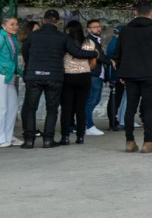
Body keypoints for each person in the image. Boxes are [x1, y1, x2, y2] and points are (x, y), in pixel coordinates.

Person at [20, 9, 97, 149]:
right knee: (52, 109)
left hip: (34, 75)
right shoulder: (62, 37)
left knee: (30, 108)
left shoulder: (33, 36)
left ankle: (29, 140)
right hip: (54, 77)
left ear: (43, 20)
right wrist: (94, 53)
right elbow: (76, 52)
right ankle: (48, 140)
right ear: (57, 22)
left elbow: (25, 52)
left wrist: (31, 68)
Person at [113, 0, 152, 153]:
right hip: (151, 74)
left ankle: (129, 141)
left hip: (130, 74)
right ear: (151, 13)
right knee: (148, 109)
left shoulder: (125, 30)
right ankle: (148, 142)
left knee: (130, 108)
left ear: (135, 12)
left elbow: (117, 53)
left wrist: (122, 71)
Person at [60, 20, 97, 145]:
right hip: (84, 77)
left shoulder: (65, 42)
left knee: (66, 108)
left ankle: (65, 136)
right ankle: (80, 136)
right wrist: (85, 69)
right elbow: (93, 62)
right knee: (80, 107)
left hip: (67, 77)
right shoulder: (90, 42)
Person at [0, 16, 23, 148]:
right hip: (2, 75)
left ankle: (8, 136)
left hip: (9, 76)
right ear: (4, 25)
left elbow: (13, 59)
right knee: (1, 108)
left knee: (13, 107)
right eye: (12, 24)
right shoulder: (1, 37)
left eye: (16, 24)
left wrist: (19, 72)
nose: (15, 27)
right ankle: (1, 138)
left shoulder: (12, 38)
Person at [84, 19, 107, 136]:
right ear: (89, 29)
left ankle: (86, 124)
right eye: (95, 27)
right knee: (91, 100)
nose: (98, 28)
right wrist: (111, 61)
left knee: (95, 100)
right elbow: (100, 57)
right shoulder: (90, 41)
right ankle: (88, 125)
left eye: (99, 26)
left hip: (98, 74)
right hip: (93, 74)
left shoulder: (96, 40)